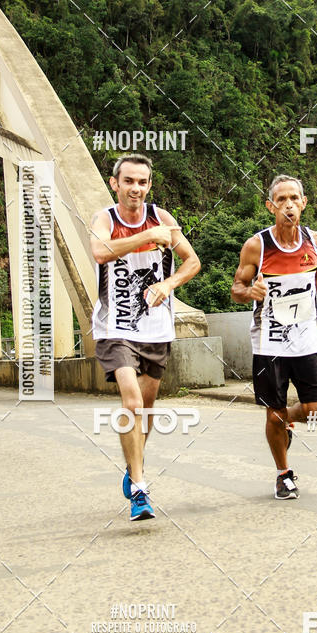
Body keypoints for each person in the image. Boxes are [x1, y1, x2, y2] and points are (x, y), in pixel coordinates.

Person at [90, 155, 200, 520]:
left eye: (142, 182)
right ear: (115, 183)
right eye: (129, 181)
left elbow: (192, 261)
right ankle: (139, 487)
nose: (135, 188)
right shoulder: (106, 219)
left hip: (156, 329)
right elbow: (99, 251)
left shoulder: (163, 218)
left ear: (149, 185)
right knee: (133, 402)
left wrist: (168, 284)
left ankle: (132, 465)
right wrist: (147, 237)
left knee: (147, 410)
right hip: (114, 328)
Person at [231, 175, 317, 499]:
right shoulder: (258, 246)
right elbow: (236, 288)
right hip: (270, 341)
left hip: (307, 338)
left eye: (294, 198)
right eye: (281, 200)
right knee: (274, 411)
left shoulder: (315, 242)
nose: (288, 205)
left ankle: (287, 423)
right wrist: (250, 290)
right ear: (271, 206)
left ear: (304, 203)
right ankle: (283, 474)